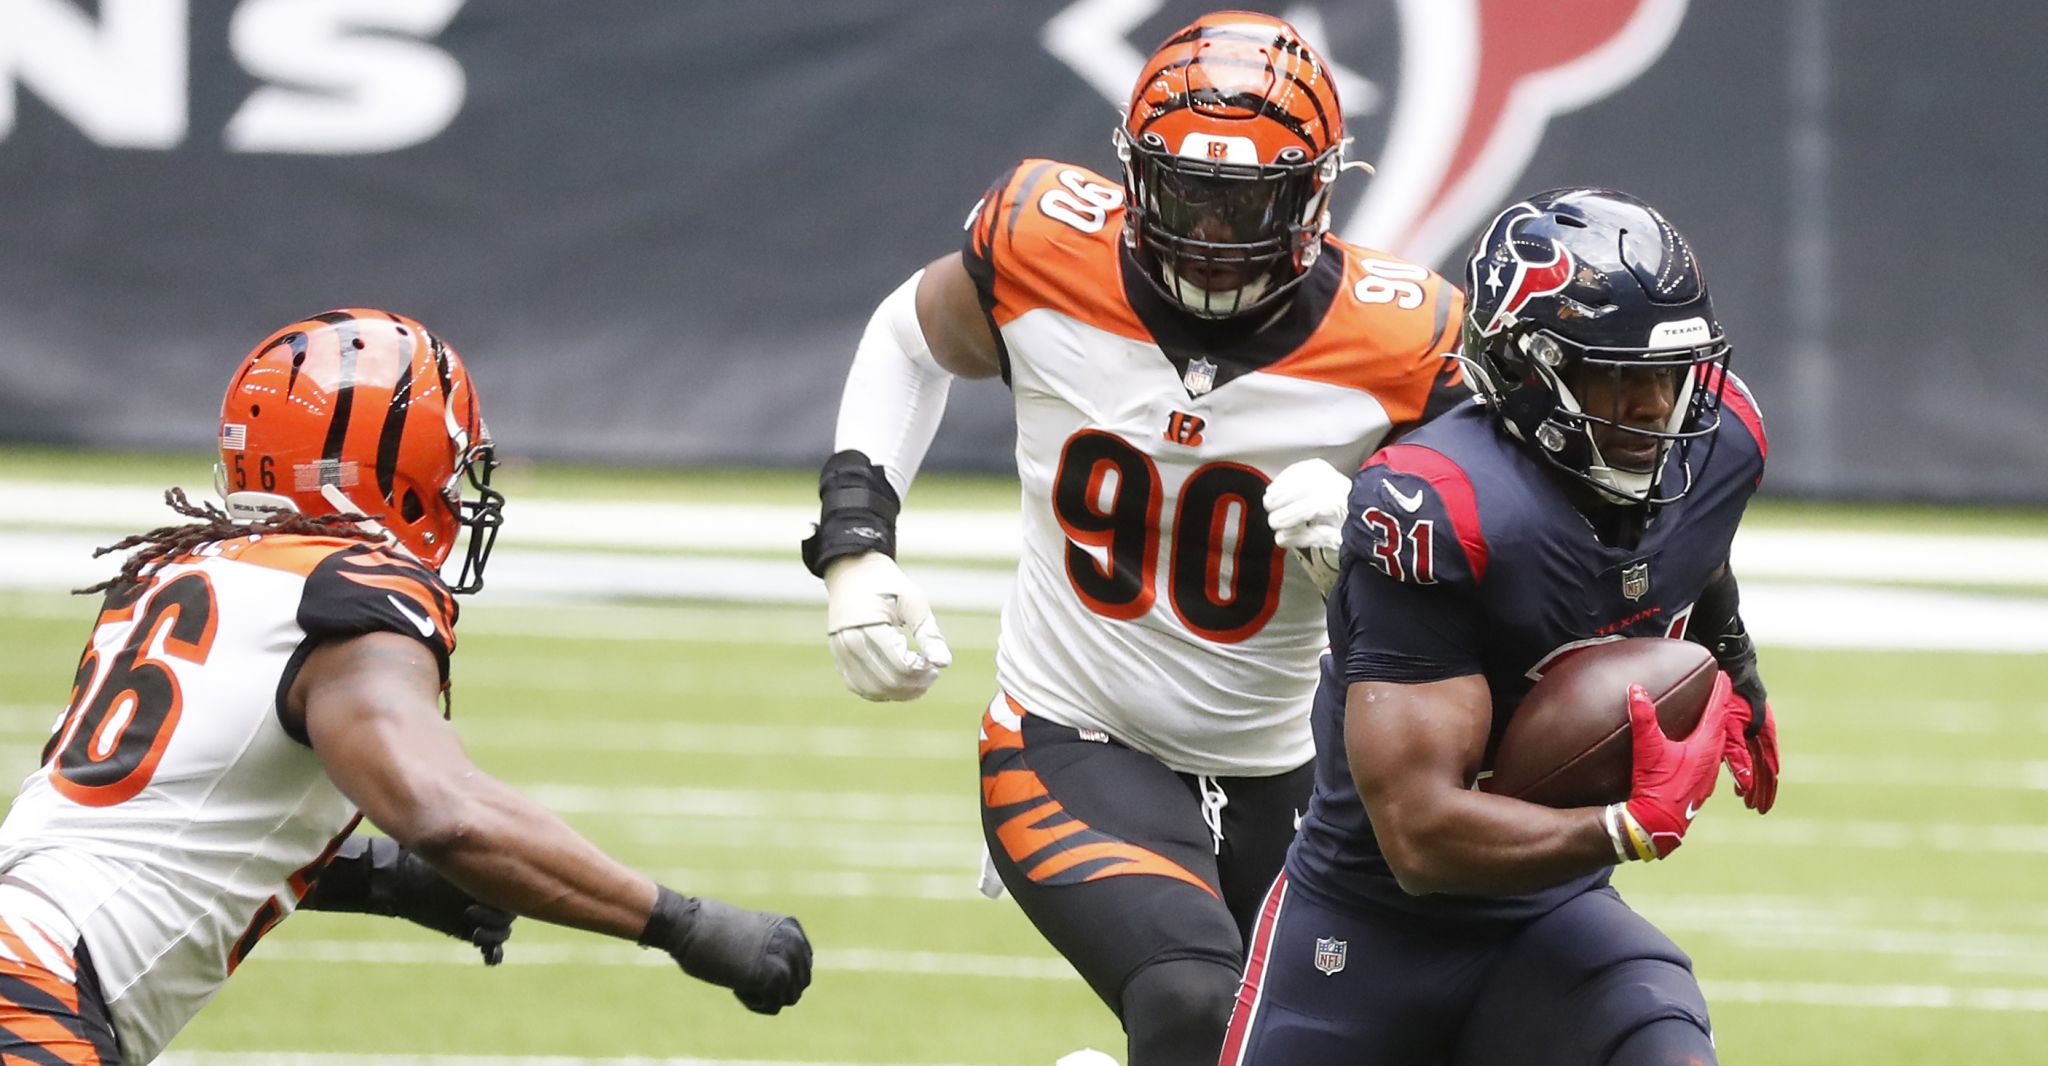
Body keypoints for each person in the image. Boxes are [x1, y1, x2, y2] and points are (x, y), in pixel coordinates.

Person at [799, 13, 1469, 1065]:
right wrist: (854, 542)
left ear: (1316, 193)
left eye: (1244, 200)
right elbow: (905, 334)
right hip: (1070, 733)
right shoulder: (1041, 251)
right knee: (1189, 1005)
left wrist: (1379, 535)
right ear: (1131, 177)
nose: (1210, 231)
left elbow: (1481, 538)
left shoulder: (1397, 340)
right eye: (1186, 193)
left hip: (1289, 767)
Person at [0, 310, 812, 1064]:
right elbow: (447, 814)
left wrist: (383, 880)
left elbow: (170, 825)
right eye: (451, 471)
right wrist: (682, 924)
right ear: (397, 469)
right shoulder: (349, 590)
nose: (459, 497)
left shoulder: (180, 570)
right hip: (32, 993)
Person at [1218, 188, 1783, 1066]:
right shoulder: (1441, 506)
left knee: (1666, 1044)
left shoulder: (1719, 442)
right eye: (1616, 377)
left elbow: (1696, 551)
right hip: (1368, 932)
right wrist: (1624, 829)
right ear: (1525, 369)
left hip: (1551, 914)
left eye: (1670, 377)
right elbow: (1417, 837)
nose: (1654, 412)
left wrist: (1734, 661)